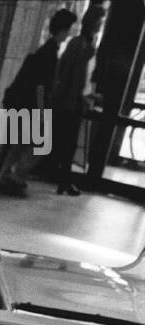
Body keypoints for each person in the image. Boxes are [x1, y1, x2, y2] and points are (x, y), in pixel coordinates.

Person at [0, 7, 77, 197]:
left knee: (19, 144)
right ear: (63, 30)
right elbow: (41, 86)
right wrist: (42, 112)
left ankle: (5, 177)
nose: (69, 33)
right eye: (69, 29)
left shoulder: (44, 50)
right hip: (33, 106)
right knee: (40, 146)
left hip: (22, 104)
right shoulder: (50, 54)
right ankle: (16, 177)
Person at [51, 3, 108, 195]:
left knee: (68, 143)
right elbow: (70, 76)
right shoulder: (80, 44)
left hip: (74, 101)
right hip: (70, 102)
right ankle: (62, 180)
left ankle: (63, 181)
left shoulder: (86, 45)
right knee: (66, 143)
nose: (100, 25)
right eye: (99, 21)